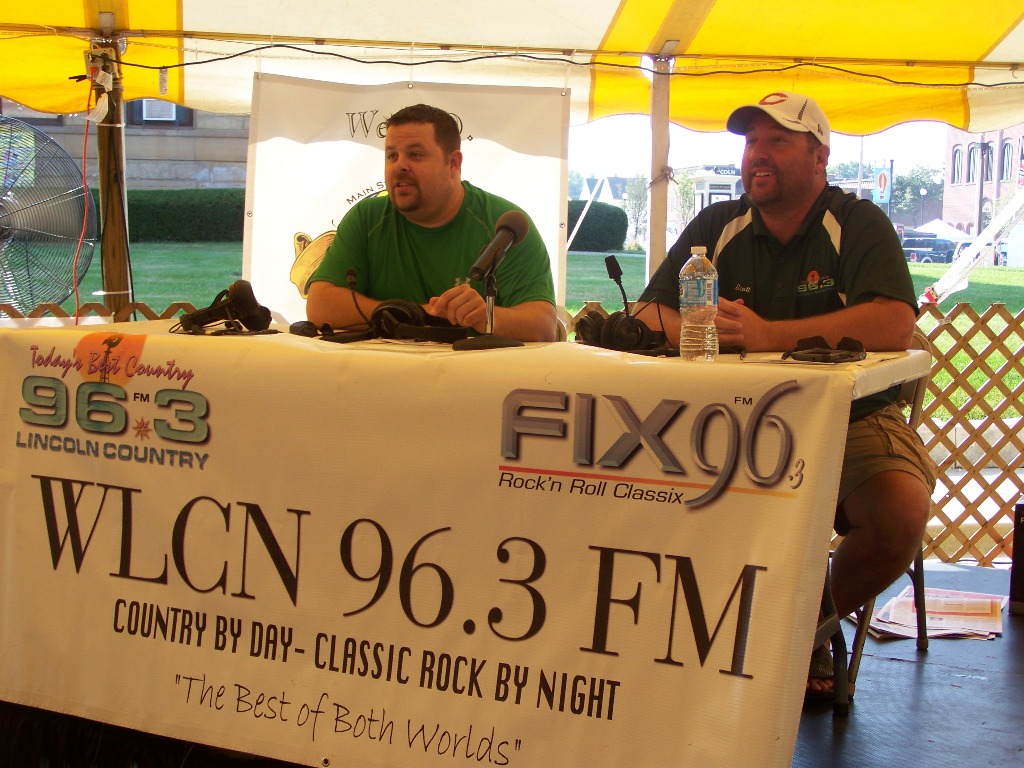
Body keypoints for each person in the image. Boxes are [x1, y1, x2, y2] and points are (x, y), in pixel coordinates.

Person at [633, 91, 938, 698]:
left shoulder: (856, 223)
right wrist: (697, 327)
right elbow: (647, 312)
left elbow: (894, 322)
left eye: (777, 141)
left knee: (901, 511)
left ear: (820, 157)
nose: (758, 155)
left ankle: (800, 629)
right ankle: (672, 645)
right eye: (752, 143)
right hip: (720, 420)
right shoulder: (718, 226)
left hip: (847, 415)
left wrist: (769, 335)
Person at [306, 103, 557, 342]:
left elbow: (544, 326)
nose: (399, 166)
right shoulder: (366, 218)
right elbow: (319, 306)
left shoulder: (505, 225)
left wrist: (488, 317)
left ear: (453, 163)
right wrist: (414, 313)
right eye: (392, 156)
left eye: (415, 154)